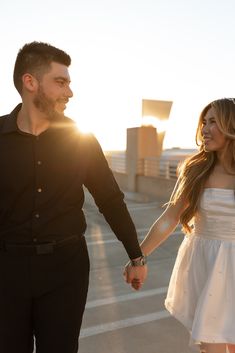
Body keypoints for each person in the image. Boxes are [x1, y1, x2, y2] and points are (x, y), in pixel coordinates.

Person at [0, 41, 147, 353]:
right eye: (60, 82)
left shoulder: (80, 139)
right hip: (6, 271)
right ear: (30, 82)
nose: (69, 92)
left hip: (65, 270)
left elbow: (109, 198)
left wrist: (136, 256)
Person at [128, 98, 235, 353]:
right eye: (204, 123)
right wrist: (139, 257)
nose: (205, 129)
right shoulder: (196, 170)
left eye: (213, 122)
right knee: (213, 343)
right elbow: (170, 217)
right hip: (207, 263)